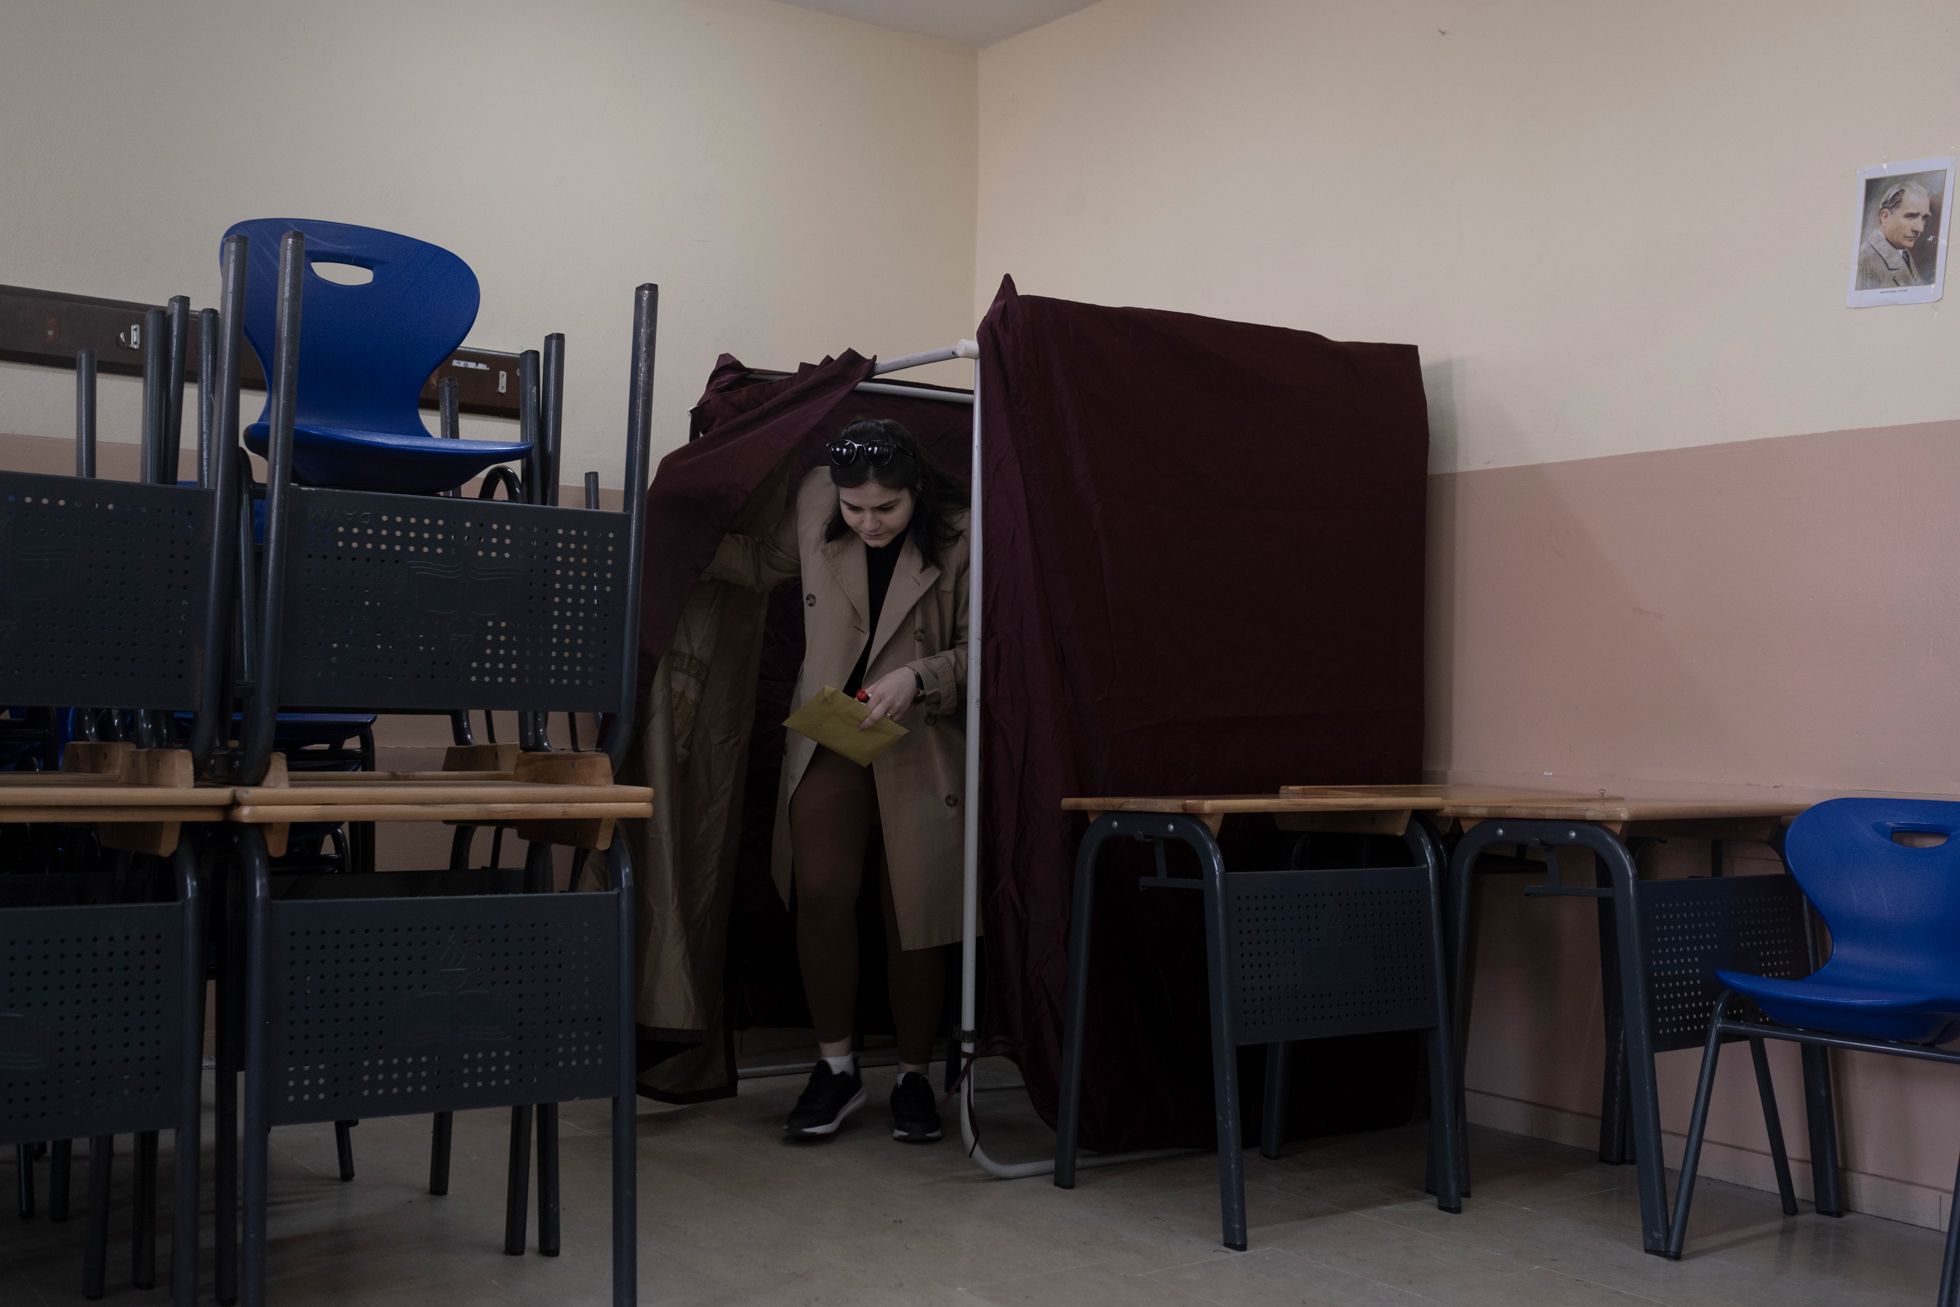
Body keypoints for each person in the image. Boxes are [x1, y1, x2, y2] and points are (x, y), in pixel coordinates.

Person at [707, 418, 969, 1142]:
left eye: (887, 508)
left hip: (922, 736)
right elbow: (764, 563)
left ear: (917, 491)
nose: (869, 523)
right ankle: (836, 1068)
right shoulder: (817, 497)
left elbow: (990, 647)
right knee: (820, 889)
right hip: (835, 726)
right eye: (856, 508)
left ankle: (914, 1076)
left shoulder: (962, 532)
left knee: (913, 910)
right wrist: (675, 542)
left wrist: (919, 676)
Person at [1857, 180, 1934, 290]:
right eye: (1911, 216)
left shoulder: (1903, 253)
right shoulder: (1863, 263)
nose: (1920, 228)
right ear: (1885, 217)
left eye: (1924, 218)